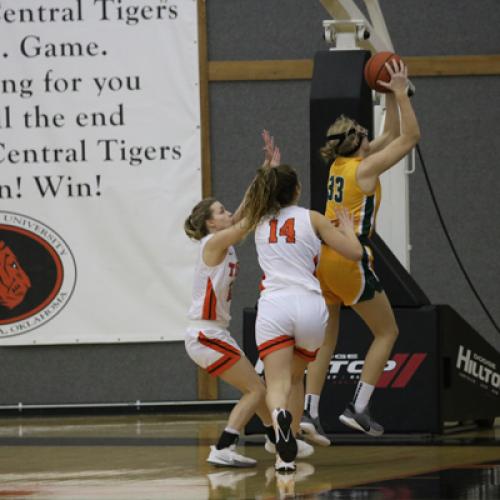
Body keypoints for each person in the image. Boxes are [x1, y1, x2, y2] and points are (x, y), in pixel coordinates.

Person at [300, 59, 421, 444]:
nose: (372, 136)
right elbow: (409, 138)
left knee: (328, 339)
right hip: (351, 257)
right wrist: (401, 92)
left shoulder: (341, 163)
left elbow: (390, 133)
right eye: (365, 135)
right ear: (361, 144)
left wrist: (387, 94)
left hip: (324, 260)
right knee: (387, 331)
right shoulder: (365, 171)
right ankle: (359, 407)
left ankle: (310, 412)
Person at [241, 162, 363, 472]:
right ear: (297, 190)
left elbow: (244, 208)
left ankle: (282, 436)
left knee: (277, 383)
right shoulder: (314, 218)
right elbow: (354, 254)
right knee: (297, 377)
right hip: (310, 305)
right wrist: (349, 231)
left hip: (274, 305)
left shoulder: (257, 220)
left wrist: (264, 173)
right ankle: (289, 446)